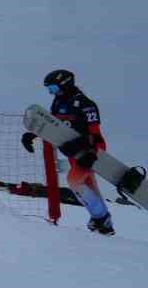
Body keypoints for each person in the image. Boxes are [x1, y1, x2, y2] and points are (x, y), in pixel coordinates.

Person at [22, 69, 114, 235]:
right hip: (72, 151)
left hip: (88, 151)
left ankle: (102, 218)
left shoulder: (85, 104)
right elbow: (53, 126)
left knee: (74, 180)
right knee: (89, 186)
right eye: (49, 89)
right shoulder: (58, 102)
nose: (52, 93)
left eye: (54, 89)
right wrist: (32, 134)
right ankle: (104, 224)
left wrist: (93, 153)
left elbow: (95, 133)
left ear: (65, 84)